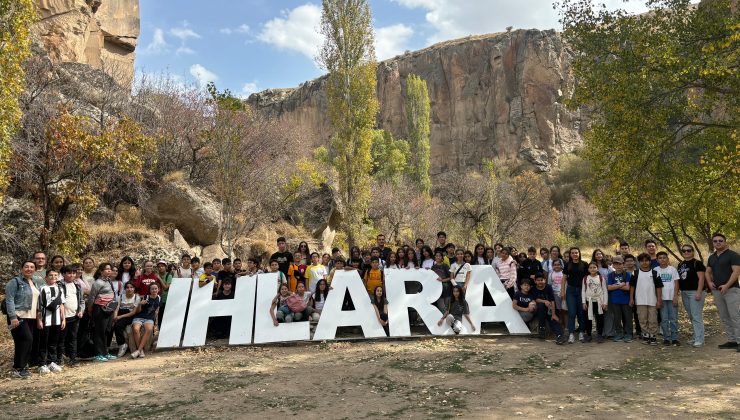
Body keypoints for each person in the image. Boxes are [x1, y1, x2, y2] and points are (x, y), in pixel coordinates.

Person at [705, 233, 740, 351]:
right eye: (715, 241)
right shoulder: (712, 257)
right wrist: (709, 283)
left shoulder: (733, 255)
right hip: (717, 291)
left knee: (735, 316)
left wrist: (727, 285)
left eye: (720, 240)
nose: (718, 243)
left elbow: (736, 272)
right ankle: (732, 340)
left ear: (725, 242)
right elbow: (707, 272)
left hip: (731, 290)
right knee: (724, 316)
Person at [5, 261, 38, 378]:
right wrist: (12, 317)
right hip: (18, 316)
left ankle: (19, 367)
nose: (29, 269)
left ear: (35, 269)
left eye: (32, 267)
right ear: (21, 268)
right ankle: (20, 367)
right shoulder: (15, 282)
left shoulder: (33, 282)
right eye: (27, 267)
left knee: (23, 342)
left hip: (31, 317)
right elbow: (9, 300)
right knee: (26, 340)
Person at [36, 270, 66, 374]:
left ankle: (52, 362)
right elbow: (39, 306)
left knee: (54, 342)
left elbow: (62, 304)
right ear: (46, 277)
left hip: (57, 320)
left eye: (55, 275)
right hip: (45, 319)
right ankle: (42, 364)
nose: (53, 277)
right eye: (50, 275)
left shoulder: (60, 288)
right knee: (44, 342)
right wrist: (39, 320)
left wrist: (63, 319)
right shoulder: (42, 288)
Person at [629, 253, 663, 346]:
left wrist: (659, 300)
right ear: (639, 262)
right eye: (642, 261)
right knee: (642, 319)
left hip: (652, 301)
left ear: (650, 261)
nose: (644, 263)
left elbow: (659, 287)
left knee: (653, 319)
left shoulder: (655, 273)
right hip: (640, 301)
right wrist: (631, 298)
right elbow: (632, 286)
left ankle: (653, 336)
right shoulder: (635, 273)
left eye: (646, 261)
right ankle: (645, 335)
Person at [87, 262, 118, 362]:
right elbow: (92, 297)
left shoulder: (109, 280)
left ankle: (105, 352)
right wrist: (90, 309)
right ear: (101, 271)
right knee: (99, 332)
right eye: (107, 269)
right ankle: (98, 354)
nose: (109, 271)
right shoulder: (97, 283)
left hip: (109, 309)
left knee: (106, 331)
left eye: (110, 269)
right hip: (100, 309)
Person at [677, 244, 706, 347]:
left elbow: (702, 279)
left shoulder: (697, 263)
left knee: (696, 315)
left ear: (692, 251)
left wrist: (698, 292)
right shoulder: (680, 264)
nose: (686, 252)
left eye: (688, 250)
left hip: (695, 292)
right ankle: (696, 336)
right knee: (691, 316)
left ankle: (700, 339)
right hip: (684, 292)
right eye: (684, 251)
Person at [59, 265, 84, 366]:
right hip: (62, 317)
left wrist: (81, 310)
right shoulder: (59, 285)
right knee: (61, 339)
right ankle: (60, 359)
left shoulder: (77, 285)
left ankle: (73, 359)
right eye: (69, 273)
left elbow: (81, 300)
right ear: (63, 274)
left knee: (73, 338)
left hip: (74, 316)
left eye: (73, 273)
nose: (71, 275)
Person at [563, 247, 589, 344]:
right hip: (570, 290)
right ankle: (571, 333)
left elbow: (588, 278)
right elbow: (564, 278)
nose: (575, 254)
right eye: (573, 253)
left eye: (576, 252)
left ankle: (582, 332)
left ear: (579, 253)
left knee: (581, 312)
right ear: (570, 254)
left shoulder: (584, 264)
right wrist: (562, 291)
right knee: (572, 312)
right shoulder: (567, 265)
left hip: (582, 290)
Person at [531, 273, 565, 344]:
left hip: (549, 309)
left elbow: (552, 300)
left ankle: (560, 336)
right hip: (539, 310)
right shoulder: (533, 288)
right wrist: (544, 301)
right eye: (538, 280)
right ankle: (542, 328)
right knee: (541, 305)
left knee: (553, 320)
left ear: (545, 280)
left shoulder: (548, 287)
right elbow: (536, 299)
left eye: (541, 280)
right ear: (535, 281)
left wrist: (553, 314)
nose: (540, 282)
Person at [654, 251, 680, 345]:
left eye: (664, 257)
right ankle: (666, 338)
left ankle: (674, 338)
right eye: (660, 258)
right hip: (662, 299)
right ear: (657, 260)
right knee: (664, 319)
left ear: (668, 259)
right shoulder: (655, 270)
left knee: (673, 319)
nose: (662, 259)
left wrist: (675, 296)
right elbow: (655, 285)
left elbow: (676, 283)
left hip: (672, 297)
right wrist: (658, 299)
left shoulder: (672, 269)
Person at [130, 283, 160, 359]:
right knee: (136, 329)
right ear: (149, 290)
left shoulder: (159, 298)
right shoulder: (145, 297)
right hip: (139, 316)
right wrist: (140, 304)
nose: (154, 290)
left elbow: (157, 310)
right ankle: (141, 351)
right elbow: (138, 310)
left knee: (149, 329)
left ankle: (139, 350)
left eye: (155, 288)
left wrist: (155, 320)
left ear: (158, 289)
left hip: (149, 318)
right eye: (152, 289)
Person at [606, 256, 633, 342]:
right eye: (615, 264)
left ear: (623, 264)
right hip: (615, 300)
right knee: (617, 318)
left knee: (627, 318)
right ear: (613, 265)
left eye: (620, 264)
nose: (618, 266)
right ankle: (619, 333)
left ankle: (628, 333)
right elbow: (609, 288)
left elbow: (628, 288)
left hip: (625, 300)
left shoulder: (627, 274)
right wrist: (621, 285)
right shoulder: (611, 275)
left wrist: (615, 286)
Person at [581, 262, 608, 343]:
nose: (592, 269)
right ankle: (588, 335)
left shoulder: (601, 278)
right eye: (591, 268)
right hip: (588, 301)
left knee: (599, 318)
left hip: (599, 301)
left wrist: (605, 302)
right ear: (588, 269)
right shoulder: (585, 278)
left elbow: (604, 291)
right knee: (588, 319)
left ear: (597, 268)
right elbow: (583, 291)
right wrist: (583, 302)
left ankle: (599, 335)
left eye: (594, 267)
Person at [112, 282, 140, 358]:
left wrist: (120, 317)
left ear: (134, 289)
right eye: (127, 287)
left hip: (130, 315)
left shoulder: (136, 297)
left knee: (118, 325)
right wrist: (115, 316)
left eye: (131, 287)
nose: (129, 289)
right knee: (115, 325)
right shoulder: (120, 296)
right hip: (121, 313)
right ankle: (122, 345)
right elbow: (116, 308)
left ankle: (123, 345)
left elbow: (133, 312)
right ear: (125, 289)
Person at [548, 259, 567, 331]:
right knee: (558, 310)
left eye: (558, 264)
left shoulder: (563, 273)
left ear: (561, 265)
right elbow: (550, 284)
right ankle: (560, 325)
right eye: (555, 265)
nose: (557, 266)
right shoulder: (551, 274)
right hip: (555, 294)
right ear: (553, 266)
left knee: (564, 310)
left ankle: (566, 326)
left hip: (563, 293)